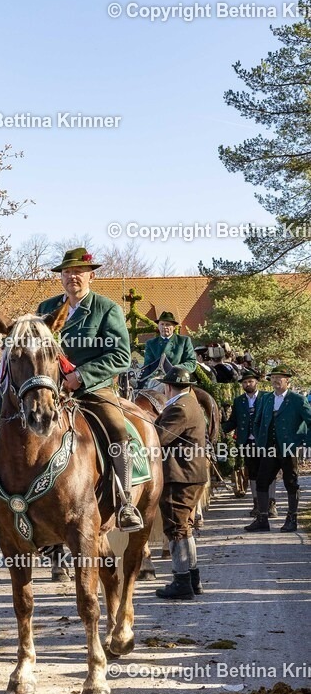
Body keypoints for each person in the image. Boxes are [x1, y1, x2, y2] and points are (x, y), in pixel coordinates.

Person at [36, 246, 142, 531]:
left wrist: (81, 376)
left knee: (117, 431)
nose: (73, 276)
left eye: (79, 272)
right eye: (67, 272)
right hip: (51, 388)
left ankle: (126, 501)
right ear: (61, 277)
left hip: (93, 389)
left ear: (91, 276)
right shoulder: (46, 309)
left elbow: (120, 356)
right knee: (8, 422)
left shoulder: (107, 309)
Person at [154, 367, 208, 600]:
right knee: (185, 527)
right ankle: (192, 578)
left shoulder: (178, 408)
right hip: (191, 475)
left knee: (176, 528)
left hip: (180, 476)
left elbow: (159, 439)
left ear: (167, 387)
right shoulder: (190, 403)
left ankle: (181, 581)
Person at [246, 365, 311, 533]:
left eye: (279, 377)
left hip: (288, 448)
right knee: (261, 481)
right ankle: (262, 519)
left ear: (287, 380)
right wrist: (260, 440)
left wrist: (302, 441)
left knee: (291, 483)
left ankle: (292, 518)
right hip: (269, 448)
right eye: (273, 377)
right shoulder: (266, 398)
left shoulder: (297, 400)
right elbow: (257, 421)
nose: (275, 380)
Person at [222, 369, 277, 518]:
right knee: (252, 473)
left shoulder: (268, 397)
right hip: (248, 442)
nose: (248, 384)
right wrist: (221, 429)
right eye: (245, 382)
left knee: (269, 473)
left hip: (266, 442)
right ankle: (257, 504)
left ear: (256, 382)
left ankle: (271, 504)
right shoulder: (239, 401)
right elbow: (234, 421)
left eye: (250, 381)